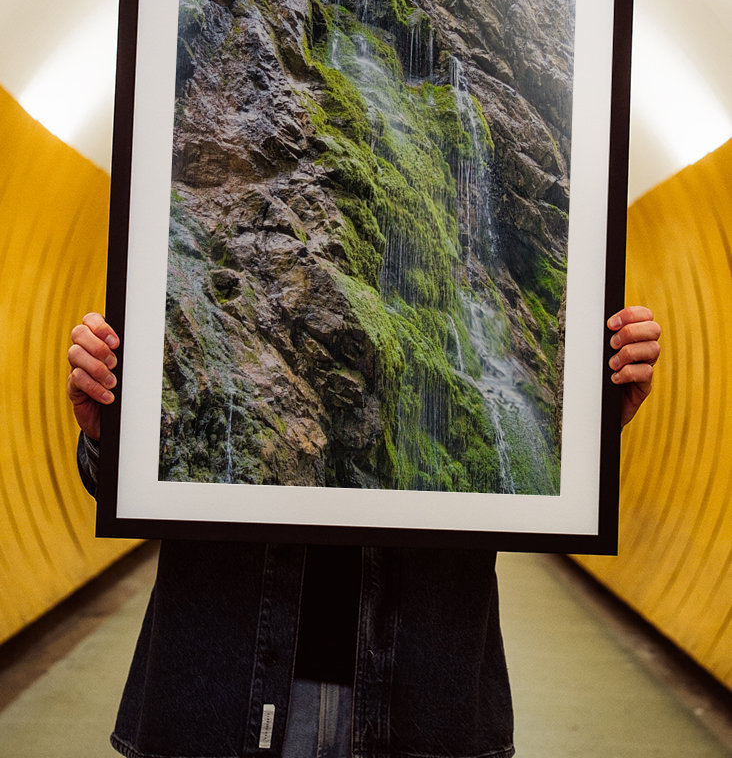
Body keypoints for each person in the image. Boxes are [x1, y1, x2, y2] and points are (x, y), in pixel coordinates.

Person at [68, 306, 661, 758]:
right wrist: (109, 435)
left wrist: (582, 431)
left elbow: (520, 480)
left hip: (423, 703)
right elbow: (129, 479)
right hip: (219, 692)